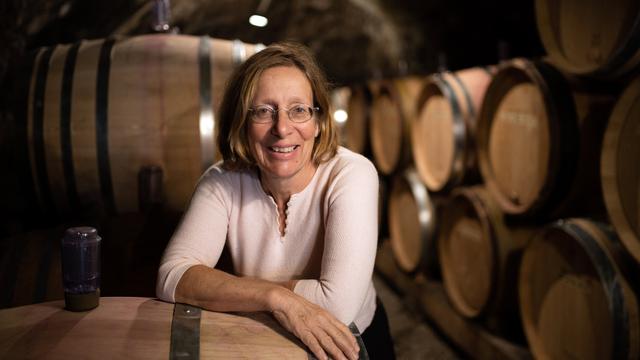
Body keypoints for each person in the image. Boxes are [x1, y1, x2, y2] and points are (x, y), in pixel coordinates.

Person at [156, 41, 395, 360]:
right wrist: (272, 297)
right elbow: (172, 276)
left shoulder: (350, 174)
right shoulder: (223, 181)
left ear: (318, 121)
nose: (282, 129)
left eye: (299, 110)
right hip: (263, 338)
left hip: (350, 343)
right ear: (241, 122)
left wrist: (236, 291)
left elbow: (338, 305)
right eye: (264, 112)